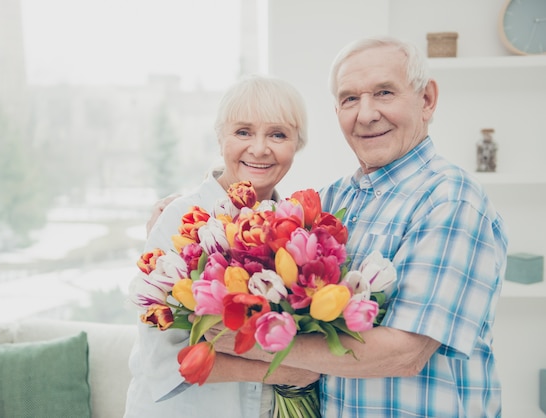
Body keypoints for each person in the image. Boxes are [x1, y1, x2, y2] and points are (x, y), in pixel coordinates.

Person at [210, 36, 508, 417]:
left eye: (384, 92)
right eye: (350, 98)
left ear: (427, 100)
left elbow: (405, 352)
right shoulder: (330, 200)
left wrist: (243, 339)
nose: (365, 114)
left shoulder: (450, 199)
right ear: (337, 110)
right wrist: (195, 204)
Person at [123, 74, 320, 418]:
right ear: (220, 138)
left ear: (297, 144)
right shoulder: (179, 220)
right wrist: (287, 370)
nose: (259, 148)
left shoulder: (299, 230)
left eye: (278, 134)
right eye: (243, 132)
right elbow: (162, 358)